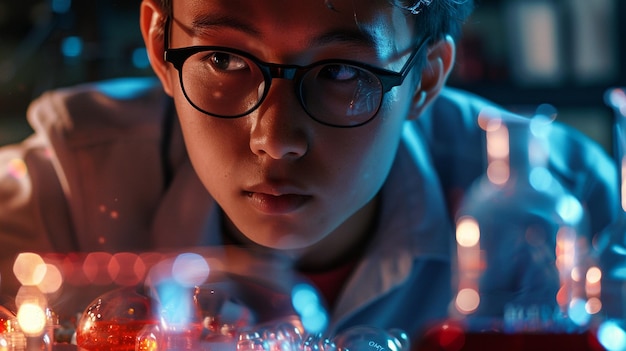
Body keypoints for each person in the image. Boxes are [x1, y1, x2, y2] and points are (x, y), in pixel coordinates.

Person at [0, 0, 619, 344]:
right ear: (161, 46)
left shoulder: (560, 206)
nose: (276, 138)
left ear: (426, 78)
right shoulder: (61, 196)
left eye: (343, 73)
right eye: (222, 58)